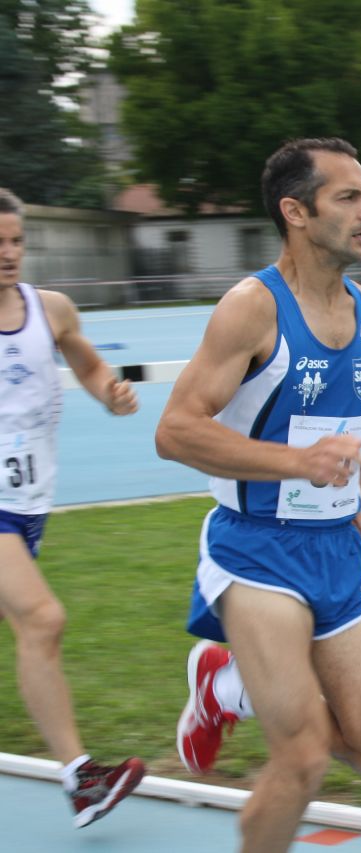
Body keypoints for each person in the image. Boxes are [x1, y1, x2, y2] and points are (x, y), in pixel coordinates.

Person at [154, 138, 361, 853]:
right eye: (349, 197)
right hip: (255, 551)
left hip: (335, 552)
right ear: (295, 212)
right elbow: (174, 431)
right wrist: (298, 463)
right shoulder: (251, 309)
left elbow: (339, 421)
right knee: (300, 758)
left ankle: (226, 687)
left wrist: (349, 487)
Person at [0, 187, 146, 828]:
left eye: (15, 242)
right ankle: (80, 778)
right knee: (42, 620)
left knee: (31, 628)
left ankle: (78, 779)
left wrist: (110, 395)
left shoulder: (50, 309)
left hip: (29, 503)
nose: (7, 255)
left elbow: (88, 367)